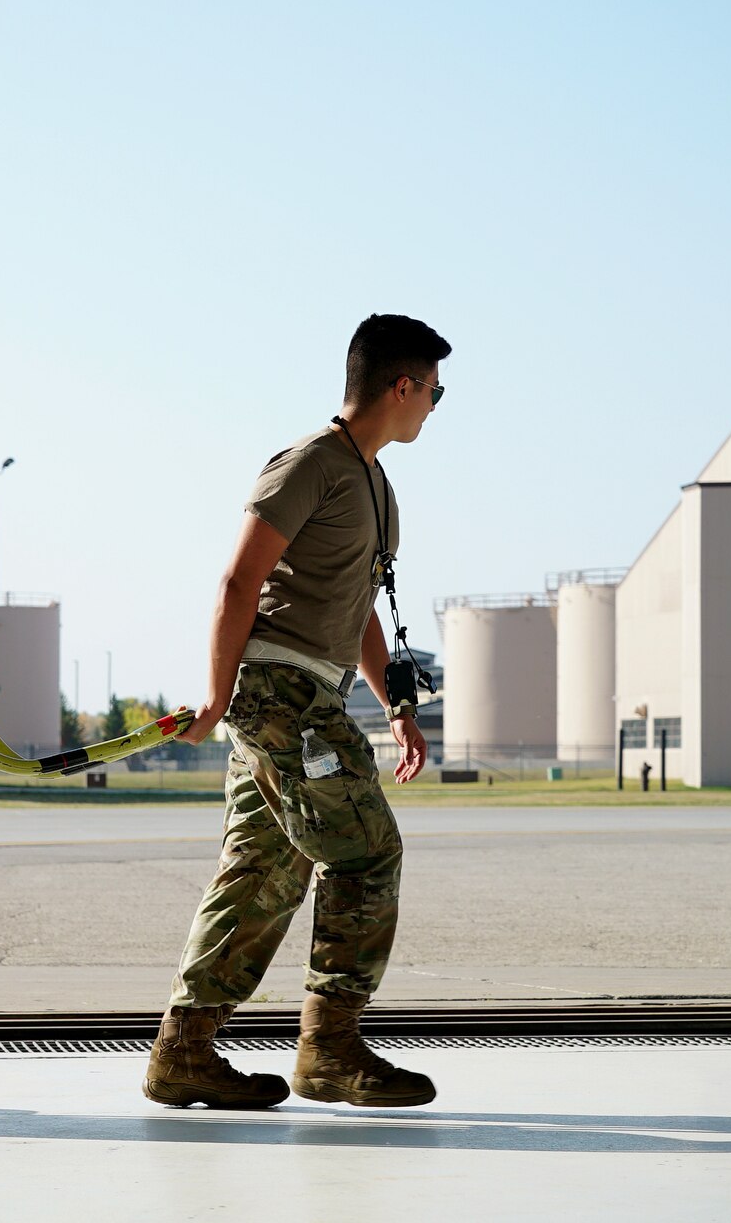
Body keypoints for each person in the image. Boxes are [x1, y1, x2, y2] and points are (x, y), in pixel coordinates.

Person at [142, 313, 450, 1111]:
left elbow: (359, 614)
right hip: (279, 695)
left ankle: (184, 1054)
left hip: (316, 692)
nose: (433, 409)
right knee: (365, 853)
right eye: (435, 394)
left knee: (262, 875)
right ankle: (332, 1049)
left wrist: (398, 709)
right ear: (402, 386)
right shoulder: (309, 464)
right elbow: (237, 584)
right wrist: (215, 698)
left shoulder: (377, 487)